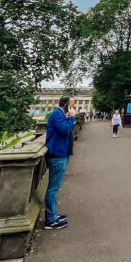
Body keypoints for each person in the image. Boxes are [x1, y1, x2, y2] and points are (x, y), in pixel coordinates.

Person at [44, 95, 75, 229]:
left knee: (55, 188)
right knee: (53, 188)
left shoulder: (61, 115)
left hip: (61, 154)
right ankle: (50, 220)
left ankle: (54, 215)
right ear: (66, 105)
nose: (73, 107)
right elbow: (65, 130)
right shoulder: (56, 114)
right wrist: (72, 117)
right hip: (57, 155)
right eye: (72, 105)